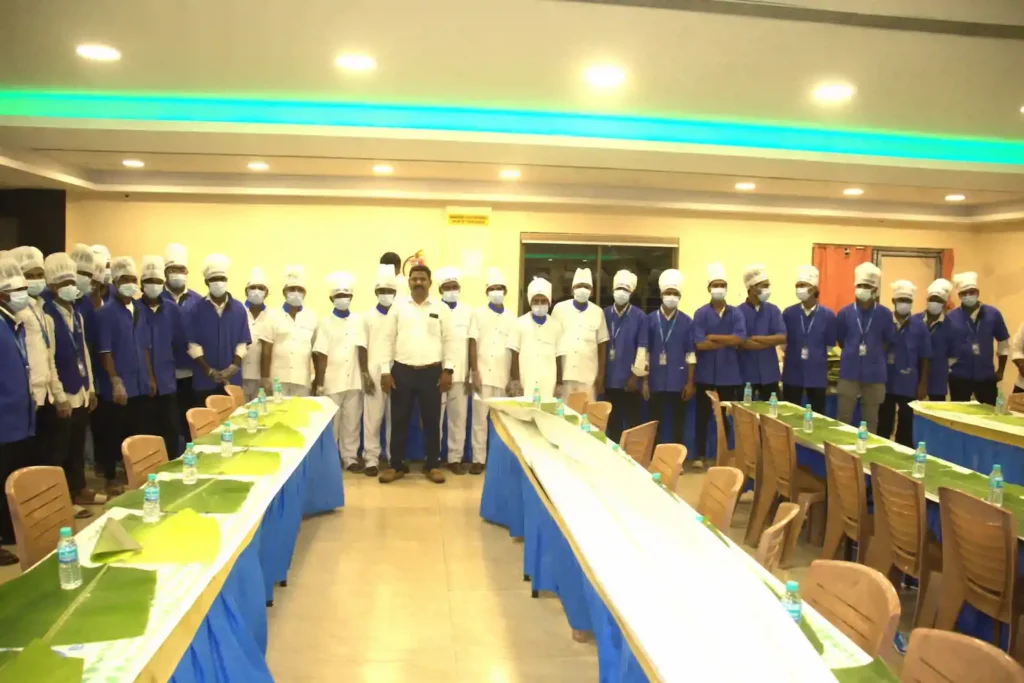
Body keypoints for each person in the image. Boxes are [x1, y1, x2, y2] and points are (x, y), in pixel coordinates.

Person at [378, 264, 456, 484]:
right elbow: (387, 339)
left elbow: (450, 340)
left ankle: (432, 465)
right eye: (414, 279)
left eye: (422, 279)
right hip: (402, 371)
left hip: (432, 372)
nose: (418, 282)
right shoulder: (398, 307)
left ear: (430, 282)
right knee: (399, 420)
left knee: (432, 421)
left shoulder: (441, 308)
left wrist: (448, 370)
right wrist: (385, 371)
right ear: (409, 282)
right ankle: (396, 465)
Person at [42, 252, 101, 508]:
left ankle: (79, 489)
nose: (70, 287)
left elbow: (84, 351)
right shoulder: (47, 315)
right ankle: (60, 500)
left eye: (72, 282)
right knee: (59, 449)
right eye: (64, 283)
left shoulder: (76, 314)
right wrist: (59, 396)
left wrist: (91, 388)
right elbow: (49, 358)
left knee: (77, 445)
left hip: (80, 389)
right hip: (63, 391)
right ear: (52, 287)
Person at [93, 257, 157, 494]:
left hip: (139, 383)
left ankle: (135, 476)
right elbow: (105, 351)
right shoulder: (106, 313)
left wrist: (150, 377)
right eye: (124, 280)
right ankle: (111, 478)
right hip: (118, 386)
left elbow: (146, 347)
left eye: (133, 279)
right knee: (112, 433)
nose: (130, 283)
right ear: (115, 282)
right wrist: (115, 381)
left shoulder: (140, 310)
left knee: (137, 431)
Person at [11, 247, 68, 479]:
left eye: (39, 274)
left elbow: (48, 358)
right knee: (26, 461)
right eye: (29, 275)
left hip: (47, 396)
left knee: (50, 455)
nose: (35, 280)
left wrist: (59, 395)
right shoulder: (17, 315)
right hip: (29, 398)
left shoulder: (44, 314)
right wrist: (29, 396)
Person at [313, 272, 371, 473]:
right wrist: (320, 383)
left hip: (353, 379)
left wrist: (365, 374)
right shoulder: (325, 322)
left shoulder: (358, 320)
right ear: (332, 299)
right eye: (338, 296)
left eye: (345, 295)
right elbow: (321, 354)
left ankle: (350, 458)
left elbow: (362, 348)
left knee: (352, 422)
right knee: (332, 424)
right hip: (332, 381)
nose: (342, 299)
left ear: (351, 297)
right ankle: (330, 460)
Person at [693, 263, 747, 468]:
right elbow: (700, 344)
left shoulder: (736, 313)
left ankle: (722, 457)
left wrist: (713, 337)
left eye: (722, 285)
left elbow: (740, 339)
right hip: (705, 375)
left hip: (729, 375)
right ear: (709, 288)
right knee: (702, 418)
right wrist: (727, 340)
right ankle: (699, 456)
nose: (719, 288)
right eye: (715, 285)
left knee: (725, 420)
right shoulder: (700, 313)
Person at [0, 257, 35, 566]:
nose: (23, 295)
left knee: (9, 477)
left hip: (17, 416)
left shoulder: (13, 323)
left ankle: (8, 531)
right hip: (3, 417)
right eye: (17, 290)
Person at [836, 262, 895, 433]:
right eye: (860, 285)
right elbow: (841, 340)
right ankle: (841, 448)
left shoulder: (885, 314)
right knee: (843, 418)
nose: (862, 289)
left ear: (875, 289)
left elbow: (888, 340)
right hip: (849, 371)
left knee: (871, 419)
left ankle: (868, 448)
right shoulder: (845, 313)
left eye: (867, 286)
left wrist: (873, 355)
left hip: (875, 373)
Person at [186, 254, 251, 407]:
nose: (218, 283)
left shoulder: (238, 309)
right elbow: (192, 345)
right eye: (214, 279)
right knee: (206, 418)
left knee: (233, 418)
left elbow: (242, 343)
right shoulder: (196, 309)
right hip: (204, 380)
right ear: (206, 282)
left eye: (222, 279)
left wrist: (233, 367)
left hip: (231, 380)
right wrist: (209, 371)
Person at [468, 267, 515, 475]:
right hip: (483, 375)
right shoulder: (477, 314)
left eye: (500, 288)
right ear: (487, 291)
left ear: (505, 291)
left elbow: (515, 349)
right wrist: (474, 372)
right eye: (493, 288)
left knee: (502, 422)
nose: (497, 292)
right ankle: (478, 460)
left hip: (503, 376)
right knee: (479, 420)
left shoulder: (512, 317)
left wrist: (513, 378)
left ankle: (499, 460)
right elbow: (472, 342)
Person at [642, 269, 695, 446]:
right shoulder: (649, 320)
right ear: (661, 295)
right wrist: (645, 381)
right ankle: (653, 455)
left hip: (678, 380)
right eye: (668, 293)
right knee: (653, 422)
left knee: (678, 423)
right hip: (655, 379)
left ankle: (677, 456)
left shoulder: (686, 322)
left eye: (675, 293)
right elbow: (645, 353)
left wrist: (689, 383)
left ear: (680, 296)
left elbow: (691, 355)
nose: (671, 297)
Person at [140, 256, 187, 458]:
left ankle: (172, 466)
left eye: (158, 281)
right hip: (141, 384)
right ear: (141, 284)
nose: (154, 285)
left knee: (171, 430)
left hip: (167, 381)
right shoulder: (135, 310)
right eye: (149, 281)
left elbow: (179, 342)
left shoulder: (172, 310)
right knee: (146, 431)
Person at [878, 281, 931, 447]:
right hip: (885, 380)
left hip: (909, 382)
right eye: (901, 300)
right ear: (893, 301)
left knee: (907, 424)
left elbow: (925, 357)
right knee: (884, 422)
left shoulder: (919, 326)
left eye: (908, 300)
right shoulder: (884, 322)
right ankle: (881, 452)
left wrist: (923, 383)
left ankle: (903, 453)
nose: (904, 304)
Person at [946, 272, 1010, 405]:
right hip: (959, 376)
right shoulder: (951, 317)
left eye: (972, 292)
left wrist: (1000, 371)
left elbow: (1003, 342)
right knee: (959, 413)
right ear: (959, 296)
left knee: (988, 413)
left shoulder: (993, 314)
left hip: (986, 376)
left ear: (977, 292)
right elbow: (945, 347)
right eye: (964, 293)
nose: (968, 296)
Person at [781, 265, 837, 415]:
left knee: (817, 415)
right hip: (792, 372)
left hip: (816, 374)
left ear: (813, 289)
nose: (799, 289)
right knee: (789, 414)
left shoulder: (828, 315)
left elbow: (829, 345)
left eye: (803, 285)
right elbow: (783, 344)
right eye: (797, 285)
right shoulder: (788, 313)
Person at [602, 269, 648, 443]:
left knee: (632, 423)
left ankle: (632, 455)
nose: (621, 292)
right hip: (609, 379)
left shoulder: (639, 317)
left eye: (625, 289)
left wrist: (635, 377)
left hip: (630, 381)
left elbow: (642, 348)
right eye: (618, 288)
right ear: (613, 290)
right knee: (612, 423)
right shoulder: (604, 314)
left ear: (631, 293)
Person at [161, 244, 201, 437]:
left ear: (187, 272)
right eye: (172, 269)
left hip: (191, 372)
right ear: (165, 273)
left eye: (181, 269)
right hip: (162, 375)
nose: (177, 274)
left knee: (189, 423)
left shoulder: (197, 301)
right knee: (167, 425)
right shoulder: (154, 300)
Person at [552, 267, 609, 401]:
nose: (582, 289)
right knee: (563, 412)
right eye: (579, 286)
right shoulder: (559, 309)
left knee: (586, 412)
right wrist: (556, 377)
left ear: (592, 291)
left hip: (588, 377)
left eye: (586, 287)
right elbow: (553, 342)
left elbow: (602, 346)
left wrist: (600, 377)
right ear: (572, 289)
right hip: (564, 376)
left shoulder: (598, 312)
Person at [436, 267, 473, 474]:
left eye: (454, 287)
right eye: (447, 287)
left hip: (460, 375)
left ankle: (455, 458)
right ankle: (433, 458)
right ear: (440, 290)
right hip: (436, 375)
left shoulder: (468, 311)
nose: (451, 290)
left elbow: (471, 343)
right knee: (435, 420)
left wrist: (470, 373)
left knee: (458, 419)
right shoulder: (433, 309)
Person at [362, 264, 397, 476]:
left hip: (397, 372)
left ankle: (393, 458)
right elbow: (362, 346)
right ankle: (371, 460)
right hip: (374, 373)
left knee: (395, 418)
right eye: (382, 291)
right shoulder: (367, 317)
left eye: (390, 291)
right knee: (372, 419)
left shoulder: (400, 315)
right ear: (376, 292)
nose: (386, 294)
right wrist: (365, 374)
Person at [260, 265, 316, 397]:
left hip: (302, 379)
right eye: (292, 289)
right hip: (278, 379)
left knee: (301, 410)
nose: (296, 293)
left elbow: (315, 351)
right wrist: (265, 378)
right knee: (278, 409)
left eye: (300, 290)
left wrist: (317, 379)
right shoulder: (272, 315)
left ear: (305, 293)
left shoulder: (311, 316)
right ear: (284, 292)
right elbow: (266, 349)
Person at [508, 277, 564, 400]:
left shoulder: (556, 326)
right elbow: (514, 354)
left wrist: (559, 383)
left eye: (543, 301)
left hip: (548, 383)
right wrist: (515, 381)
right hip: (526, 382)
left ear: (549, 302)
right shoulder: (519, 323)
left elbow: (558, 357)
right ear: (530, 302)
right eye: (536, 301)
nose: (539, 304)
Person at [738, 264, 786, 401]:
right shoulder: (738, 312)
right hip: (746, 373)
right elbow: (741, 342)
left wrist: (755, 338)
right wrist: (769, 341)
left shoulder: (773, 310)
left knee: (773, 411)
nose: (767, 289)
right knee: (744, 411)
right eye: (764, 286)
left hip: (769, 373)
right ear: (752, 288)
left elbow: (782, 337)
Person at [916, 278, 955, 400]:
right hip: (915, 377)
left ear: (944, 303)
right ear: (927, 300)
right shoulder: (914, 321)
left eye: (939, 300)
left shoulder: (951, 326)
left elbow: (954, 354)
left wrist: (943, 367)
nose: (934, 303)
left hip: (938, 379)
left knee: (936, 410)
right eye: (932, 299)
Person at [242, 267, 270, 401]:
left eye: (261, 288)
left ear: (267, 292)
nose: (257, 291)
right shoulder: (237, 311)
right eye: (253, 287)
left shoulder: (272, 315)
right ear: (246, 291)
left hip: (261, 378)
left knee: (260, 411)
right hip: (238, 375)